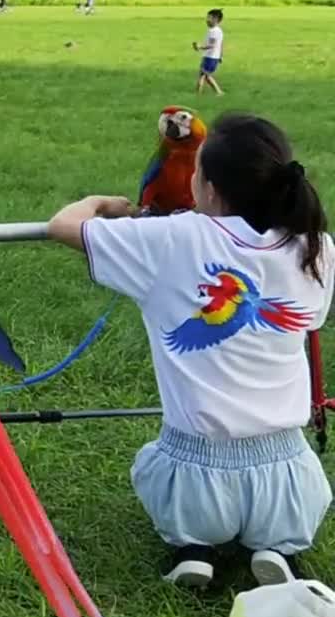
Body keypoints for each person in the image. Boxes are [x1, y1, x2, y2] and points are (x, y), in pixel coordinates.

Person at [47, 113, 333, 589]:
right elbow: (310, 317)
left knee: (167, 469)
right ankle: (274, 547)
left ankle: (194, 549)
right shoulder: (317, 247)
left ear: (210, 189)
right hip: (288, 481)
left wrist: (105, 203)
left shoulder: (173, 239)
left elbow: (63, 225)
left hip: (195, 477)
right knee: (275, 517)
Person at [195, 8, 225, 96]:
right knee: (204, 75)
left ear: (215, 19)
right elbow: (221, 44)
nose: (207, 20)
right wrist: (221, 55)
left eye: (209, 18)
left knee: (205, 75)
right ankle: (199, 93)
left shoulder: (213, 31)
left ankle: (217, 92)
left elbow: (212, 45)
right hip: (213, 57)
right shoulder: (219, 30)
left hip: (210, 57)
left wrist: (200, 47)